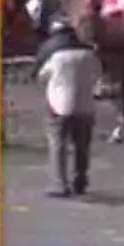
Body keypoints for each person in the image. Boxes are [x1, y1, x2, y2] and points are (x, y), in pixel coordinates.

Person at [34, 16, 101, 198]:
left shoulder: (54, 54)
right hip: (86, 105)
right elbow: (98, 73)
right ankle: (80, 181)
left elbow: (41, 76)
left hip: (59, 105)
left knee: (58, 144)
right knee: (82, 146)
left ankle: (59, 184)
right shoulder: (89, 53)